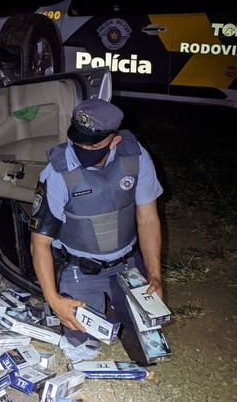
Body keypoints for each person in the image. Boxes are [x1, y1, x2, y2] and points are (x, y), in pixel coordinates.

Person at [29, 95, 164, 360]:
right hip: (81, 269)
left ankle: (120, 306)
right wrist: (54, 299)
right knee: (81, 348)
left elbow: (148, 219)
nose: (83, 149)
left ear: (114, 140)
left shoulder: (135, 158)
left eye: (93, 145)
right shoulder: (57, 171)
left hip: (128, 265)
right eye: (78, 141)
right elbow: (39, 242)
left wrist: (155, 275)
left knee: (151, 347)